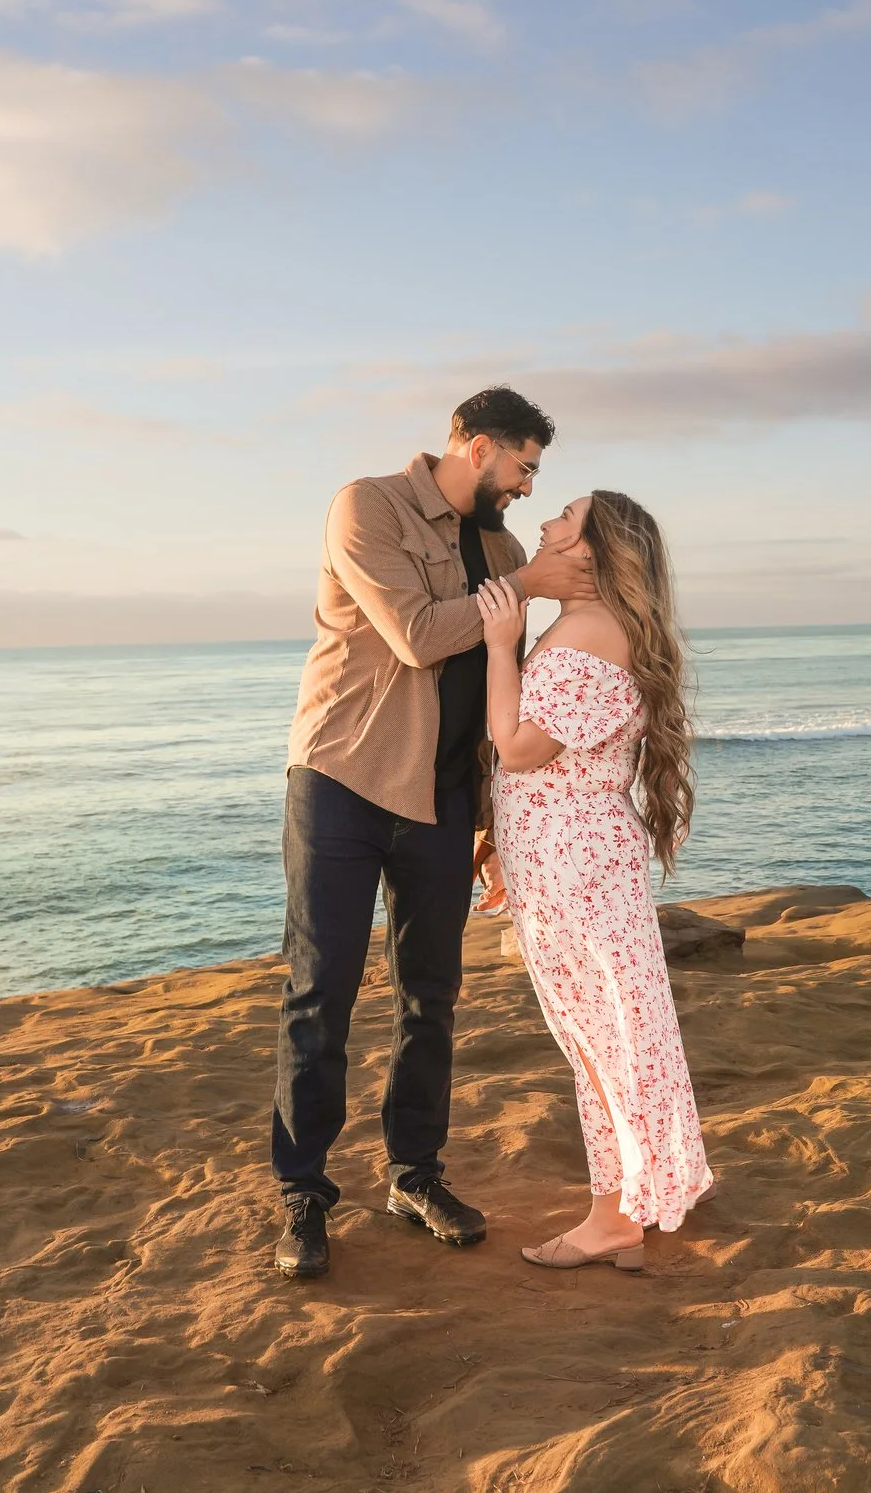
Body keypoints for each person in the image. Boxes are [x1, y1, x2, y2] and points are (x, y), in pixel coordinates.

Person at [271, 388, 593, 1281]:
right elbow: (415, 636)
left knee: (431, 996)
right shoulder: (366, 505)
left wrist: (494, 816)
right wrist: (528, 587)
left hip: (446, 797)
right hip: (342, 776)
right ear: (478, 446)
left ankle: (415, 1175)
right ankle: (302, 1191)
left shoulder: (501, 548)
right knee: (320, 991)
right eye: (524, 465)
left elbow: (506, 680)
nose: (529, 486)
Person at [475, 491, 713, 1272]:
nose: (543, 523)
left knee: (605, 1039)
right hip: (570, 855)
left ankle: (616, 1216)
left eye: (563, 519)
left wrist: (499, 643)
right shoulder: (598, 627)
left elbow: (516, 748)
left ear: (593, 550)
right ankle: (627, 1203)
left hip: (574, 860)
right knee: (606, 1034)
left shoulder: (588, 632)